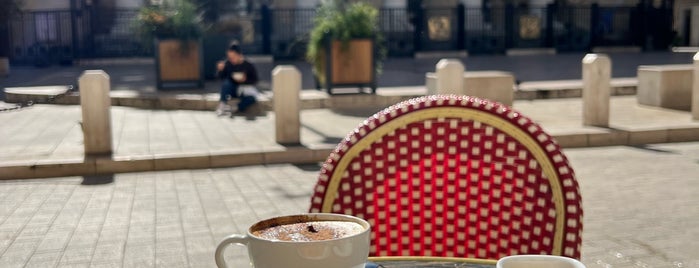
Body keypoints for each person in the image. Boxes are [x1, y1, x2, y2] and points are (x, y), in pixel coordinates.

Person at [216, 43, 259, 116]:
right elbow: (221, 78)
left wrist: (245, 80)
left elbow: (255, 80)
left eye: (233, 57)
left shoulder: (248, 65)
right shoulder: (228, 64)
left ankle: (236, 107)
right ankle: (222, 105)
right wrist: (220, 70)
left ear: (239, 55)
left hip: (245, 90)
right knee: (226, 83)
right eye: (229, 57)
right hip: (233, 89)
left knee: (252, 98)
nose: (231, 59)